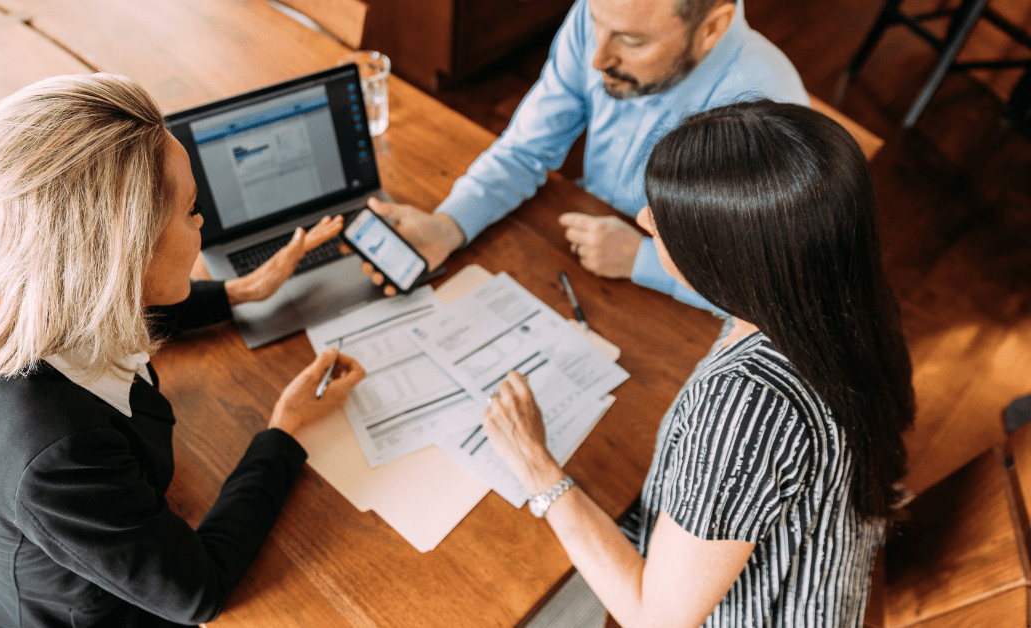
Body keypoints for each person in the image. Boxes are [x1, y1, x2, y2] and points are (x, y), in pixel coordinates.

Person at [0, 73, 365, 628]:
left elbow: (105, 303)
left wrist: (238, 292)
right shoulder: (61, 456)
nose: (201, 221)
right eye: (189, 210)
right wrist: (285, 431)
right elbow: (198, 593)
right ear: (122, 257)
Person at [481, 100, 915, 627]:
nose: (642, 220)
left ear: (725, 264)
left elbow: (657, 618)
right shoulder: (837, 295)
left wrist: (535, 465)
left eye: (664, 223)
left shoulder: (747, 411)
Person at [358, 0, 807, 310]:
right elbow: (526, 149)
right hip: (578, 255)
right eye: (595, 22)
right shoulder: (603, 17)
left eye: (632, 41)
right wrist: (447, 225)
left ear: (711, 28)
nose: (597, 58)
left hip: (682, 310)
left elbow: (775, 288)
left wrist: (642, 260)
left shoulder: (770, 114)